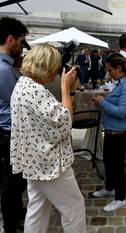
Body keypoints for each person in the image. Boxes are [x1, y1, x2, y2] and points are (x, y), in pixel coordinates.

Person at [10, 44, 86, 233]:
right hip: (49, 163)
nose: (56, 73)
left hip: (32, 160)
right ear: (45, 67)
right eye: (54, 68)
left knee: (38, 209)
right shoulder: (36, 91)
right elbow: (65, 121)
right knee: (74, 208)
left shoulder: (22, 85)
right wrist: (66, 88)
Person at [92, 53, 126, 212]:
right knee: (108, 162)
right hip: (112, 132)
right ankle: (109, 188)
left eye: (110, 70)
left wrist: (103, 102)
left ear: (119, 68)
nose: (108, 73)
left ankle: (120, 198)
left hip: (120, 134)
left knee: (117, 167)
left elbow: (123, 112)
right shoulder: (121, 83)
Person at [0, 16, 28, 233]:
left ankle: (17, 216)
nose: (22, 46)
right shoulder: (5, 71)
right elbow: (20, 104)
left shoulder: (7, 68)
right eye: (21, 41)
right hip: (8, 134)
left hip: (7, 132)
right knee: (12, 182)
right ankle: (12, 225)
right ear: (11, 40)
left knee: (14, 181)